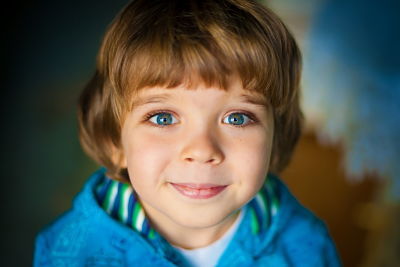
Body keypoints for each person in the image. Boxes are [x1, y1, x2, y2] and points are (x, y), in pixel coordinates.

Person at [34, 0, 341, 266]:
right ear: (115, 140)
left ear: (276, 139)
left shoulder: (306, 246)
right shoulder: (70, 254)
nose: (203, 149)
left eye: (237, 118)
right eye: (163, 118)